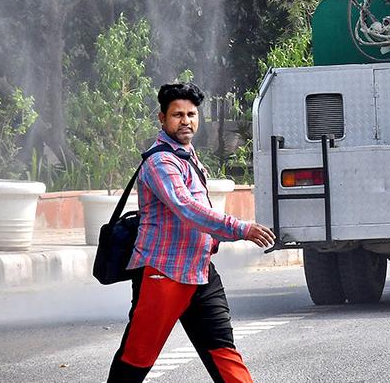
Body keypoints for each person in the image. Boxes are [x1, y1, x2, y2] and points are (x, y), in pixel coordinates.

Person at [108, 81, 277, 383]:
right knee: (137, 357)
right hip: (164, 273)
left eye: (191, 114)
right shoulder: (160, 162)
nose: (185, 121)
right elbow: (186, 207)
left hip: (200, 272)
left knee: (223, 351)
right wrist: (241, 228)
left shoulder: (187, 155)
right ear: (162, 118)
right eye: (177, 115)